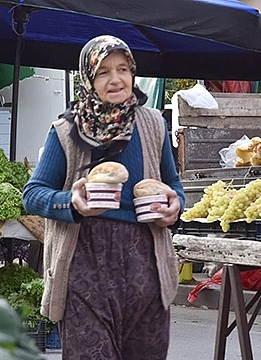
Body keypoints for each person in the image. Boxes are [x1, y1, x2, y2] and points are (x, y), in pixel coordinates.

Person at [22, 35, 185, 359]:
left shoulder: (153, 124)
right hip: (85, 266)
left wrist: (175, 207)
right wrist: (72, 202)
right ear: (88, 78)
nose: (116, 79)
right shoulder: (66, 131)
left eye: (123, 69)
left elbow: (173, 184)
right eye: (104, 72)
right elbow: (33, 194)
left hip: (145, 267)